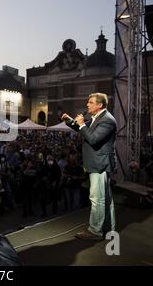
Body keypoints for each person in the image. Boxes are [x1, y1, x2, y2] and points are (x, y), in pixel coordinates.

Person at [62, 92, 116, 240]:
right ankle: (108, 228)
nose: (87, 104)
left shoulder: (107, 120)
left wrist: (81, 124)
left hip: (99, 164)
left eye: (90, 102)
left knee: (97, 198)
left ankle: (95, 231)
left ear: (99, 105)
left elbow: (92, 139)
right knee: (105, 198)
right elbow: (85, 131)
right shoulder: (98, 118)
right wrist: (70, 121)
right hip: (97, 163)